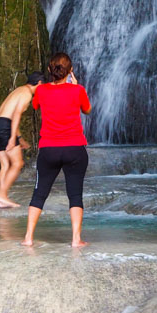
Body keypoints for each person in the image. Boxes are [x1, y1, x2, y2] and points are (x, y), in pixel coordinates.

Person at [22, 52, 91, 248]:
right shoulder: (78, 90)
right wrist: (75, 85)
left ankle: (28, 238)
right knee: (75, 194)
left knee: (39, 193)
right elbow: (87, 110)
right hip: (75, 149)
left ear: (50, 70)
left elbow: (35, 106)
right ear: (70, 71)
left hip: (49, 149)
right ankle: (76, 239)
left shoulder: (41, 90)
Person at [0, 72, 44, 208]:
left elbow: (11, 116)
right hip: (4, 127)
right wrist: (12, 138)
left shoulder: (19, 90)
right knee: (18, 163)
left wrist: (19, 138)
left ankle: (2, 200)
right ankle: (1, 194)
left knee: (5, 165)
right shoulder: (27, 93)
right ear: (39, 83)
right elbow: (16, 115)